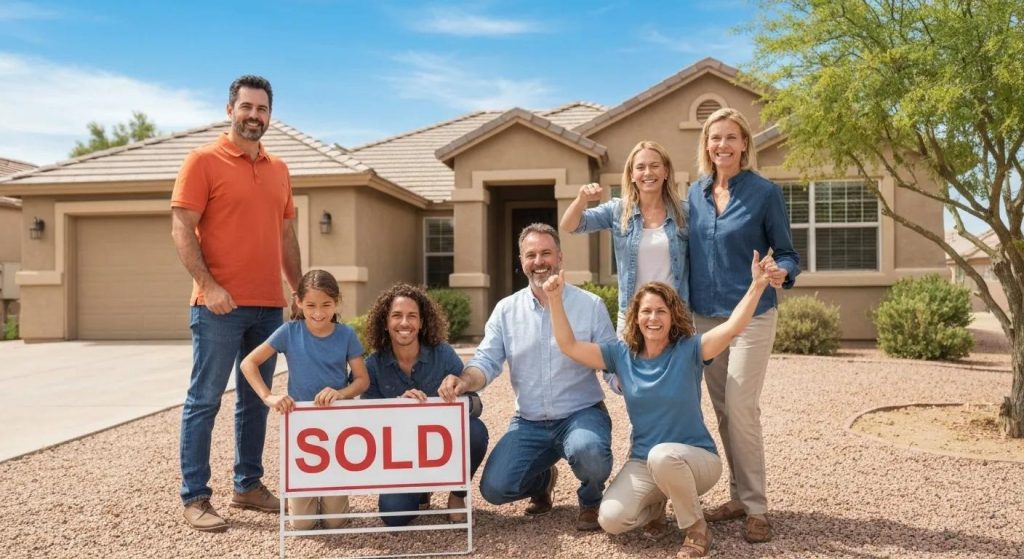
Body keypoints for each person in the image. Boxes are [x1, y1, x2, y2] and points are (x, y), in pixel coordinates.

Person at [544, 249, 776, 558]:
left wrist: (757, 285)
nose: (653, 318)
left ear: (672, 316)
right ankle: (658, 504)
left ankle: (696, 528)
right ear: (636, 317)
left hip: (698, 461)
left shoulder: (690, 350)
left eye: (661, 311)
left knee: (663, 455)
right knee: (611, 519)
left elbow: (733, 327)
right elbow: (568, 345)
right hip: (645, 463)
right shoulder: (620, 355)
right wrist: (556, 300)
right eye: (646, 311)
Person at [172, 74, 303, 532]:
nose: (254, 116)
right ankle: (195, 496)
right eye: (246, 107)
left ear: (270, 115)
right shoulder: (202, 161)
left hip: (268, 306)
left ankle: (247, 485)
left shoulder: (279, 169)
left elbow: (286, 235)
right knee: (204, 399)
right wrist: (209, 285)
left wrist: (300, 290)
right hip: (217, 307)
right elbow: (182, 228)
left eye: (262, 109)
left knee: (256, 400)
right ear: (230, 110)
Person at [438, 223, 616, 531]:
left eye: (546, 253)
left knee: (590, 452)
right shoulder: (506, 310)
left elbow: (611, 360)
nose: (539, 261)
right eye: (531, 255)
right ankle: (543, 480)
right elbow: (486, 360)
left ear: (559, 256)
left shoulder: (590, 305)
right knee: (494, 490)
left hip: (580, 414)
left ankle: (590, 499)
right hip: (530, 421)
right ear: (522, 261)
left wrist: (628, 383)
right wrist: (464, 381)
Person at [687, 107, 800, 543]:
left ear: (745, 144)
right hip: (706, 317)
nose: (722, 145)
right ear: (707, 145)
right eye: (715, 138)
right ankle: (736, 496)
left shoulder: (765, 192)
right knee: (722, 411)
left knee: (741, 406)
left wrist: (780, 272)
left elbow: (788, 253)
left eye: (731, 138)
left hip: (752, 313)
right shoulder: (693, 194)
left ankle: (755, 507)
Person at [239, 269, 369, 530]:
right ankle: (304, 501)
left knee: (335, 522)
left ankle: (334, 503)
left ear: (337, 302)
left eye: (326, 305)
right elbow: (248, 363)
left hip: (336, 427)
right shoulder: (289, 332)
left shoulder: (345, 335)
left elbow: (362, 380)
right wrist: (269, 396)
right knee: (302, 524)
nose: (318, 313)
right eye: (311, 305)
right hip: (301, 429)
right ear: (298, 302)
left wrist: (340, 393)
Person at [362, 283, 489, 526]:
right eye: (397, 316)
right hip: (401, 455)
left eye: (412, 316)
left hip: (442, 444)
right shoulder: (373, 365)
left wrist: (455, 393)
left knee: (475, 431)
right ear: (385, 322)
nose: (405, 323)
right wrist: (397, 407)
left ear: (422, 322)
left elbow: (475, 405)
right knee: (393, 517)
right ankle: (422, 491)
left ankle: (457, 494)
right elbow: (366, 423)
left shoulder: (442, 354)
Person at [560, 140, 688, 333]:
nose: (648, 172)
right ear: (632, 174)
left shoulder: (684, 212)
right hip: (632, 316)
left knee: (679, 364)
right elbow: (570, 225)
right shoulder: (618, 210)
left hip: (676, 315)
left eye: (654, 166)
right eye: (640, 167)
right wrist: (581, 200)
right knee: (629, 364)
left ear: (666, 171)